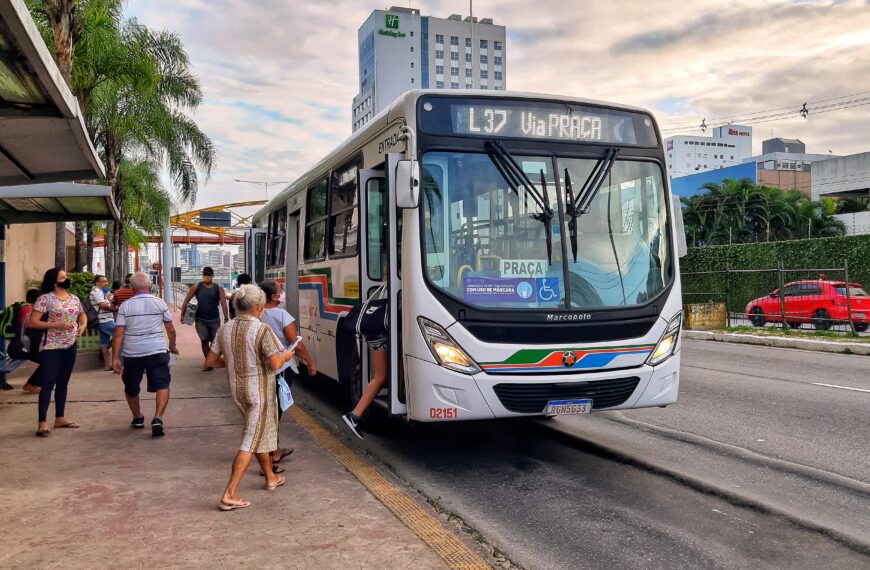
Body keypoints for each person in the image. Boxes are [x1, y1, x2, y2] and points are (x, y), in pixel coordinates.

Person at [205, 285, 295, 511]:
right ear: (259, 306)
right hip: (259, 393)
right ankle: (230, 493)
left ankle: (270, 477)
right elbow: (275, 364)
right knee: (250, 439)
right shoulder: (262, 329)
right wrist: (286, 355)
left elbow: (210, 361)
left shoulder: (225, 329)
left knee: (257, 432)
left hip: (238, 391)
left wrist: (236, 362)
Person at [112, 272, 178, 437]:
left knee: (131, 386)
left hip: (132, 353)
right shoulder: (160, 303)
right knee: (162, 384)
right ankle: (157, 418)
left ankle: (137, 417)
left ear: (132, 288)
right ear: (150, 286)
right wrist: (172, 346)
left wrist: (115, 358)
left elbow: (118, 333)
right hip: (157, 350)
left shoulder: (125, 306)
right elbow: (171, 329)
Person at [259, 279, 316, 465]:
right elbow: (296, 345)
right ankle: (272, 451)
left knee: (268, 410)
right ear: (274, 296)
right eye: (280, 290)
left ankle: (273, 448)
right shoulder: (282, 315)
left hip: (261, 368)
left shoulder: (256, 314)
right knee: (276, 410)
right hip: (281, 367)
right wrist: (309, 361)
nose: (282, 293)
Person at [27, 268, 87, 437]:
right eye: (63, 277)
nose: (66, 279)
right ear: (55, 281)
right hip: (51, 347)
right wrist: (57, 325)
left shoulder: (74, 298)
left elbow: (82, 315)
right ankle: (42, 422)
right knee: (48, 382)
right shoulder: (45, 299)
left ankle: (60, 417)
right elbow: (33, 323)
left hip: (70, 345)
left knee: (63, 382)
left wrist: (82, 326)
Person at [340, 284, 389, 440]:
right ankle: (354, 415)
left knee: (382, 376)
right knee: (380, 377)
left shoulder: (386, 284)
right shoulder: (394, 285)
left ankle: (355, 415)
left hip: (376, 334)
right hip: (379, 336)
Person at [180, 266, 228, 371]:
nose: (206, 277)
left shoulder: (218, 288)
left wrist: (226, 318)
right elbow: (187, 299)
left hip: (214, 319)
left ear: (212, 276)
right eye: (205, 275)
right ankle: (208, 362)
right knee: (204, 340)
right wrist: (182, 314)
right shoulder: (196, 287)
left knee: (215, 342)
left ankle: (211, 360)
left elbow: (224, 303)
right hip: (200, 319)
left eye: (208, 275)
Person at [89, 274, 118, 371]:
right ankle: (116, 363)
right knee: (119, 337)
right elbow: (102, 305)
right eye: (104, 281)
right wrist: (114, 309)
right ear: (97, 282)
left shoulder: (101, 291)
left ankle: (107, 365)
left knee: (104, 343)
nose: (106, 283)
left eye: (106, 281)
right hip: (105, 320)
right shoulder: (97, 291)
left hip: (103, 319)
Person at [19, 288, 42, 394]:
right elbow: (29, 328)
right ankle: (30, 384)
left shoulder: (29, 309)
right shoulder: (28, 310)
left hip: (28, 345)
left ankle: (36, 383)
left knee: (50, 360)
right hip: (24, 347)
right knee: (49, 361)